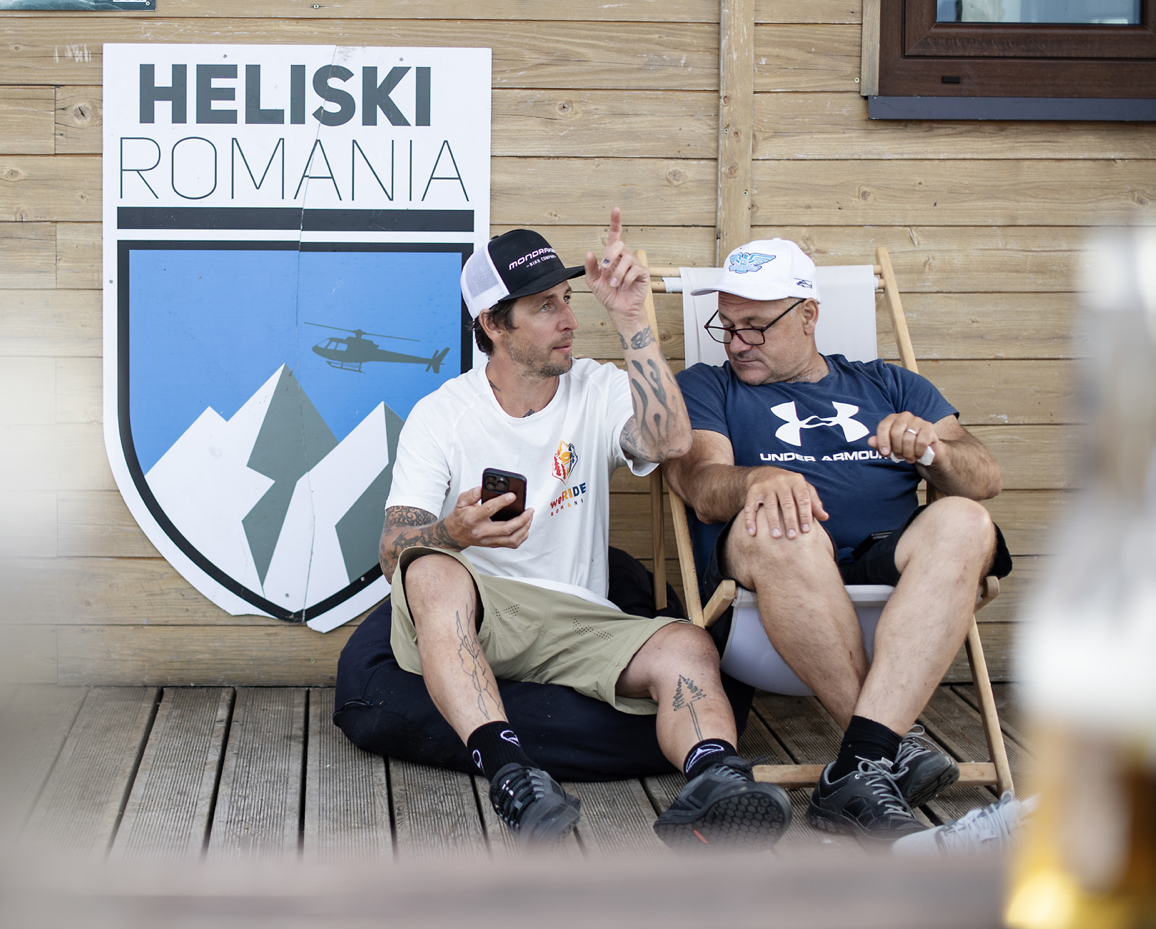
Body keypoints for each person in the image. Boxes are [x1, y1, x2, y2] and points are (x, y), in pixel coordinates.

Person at [376, 212, 791, 848]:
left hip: (578, 620)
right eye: (545, 306)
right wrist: (454, 533)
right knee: (428, 568)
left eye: (568, 299)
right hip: (480, 613)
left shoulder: (598, 387)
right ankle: (514, 777)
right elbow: (392, 554)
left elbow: (670, 441)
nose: (570, 319)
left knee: (687, 645)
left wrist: (633, 321)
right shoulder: (441, 416)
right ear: (493, 324)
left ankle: (717, 783)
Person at [663, 238, 1010, 843]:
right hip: (766, 587)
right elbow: (701, 485)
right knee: (781, 521)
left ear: (808, 315)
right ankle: (887, 748)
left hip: (888, 572)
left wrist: (932, 448)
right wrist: (758, 479)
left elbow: (984, 479)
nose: (736, 343)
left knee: (966, 521)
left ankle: (860, 763)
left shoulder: (889, 384)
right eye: (727, 326)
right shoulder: (707, 386)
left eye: (755, 326)